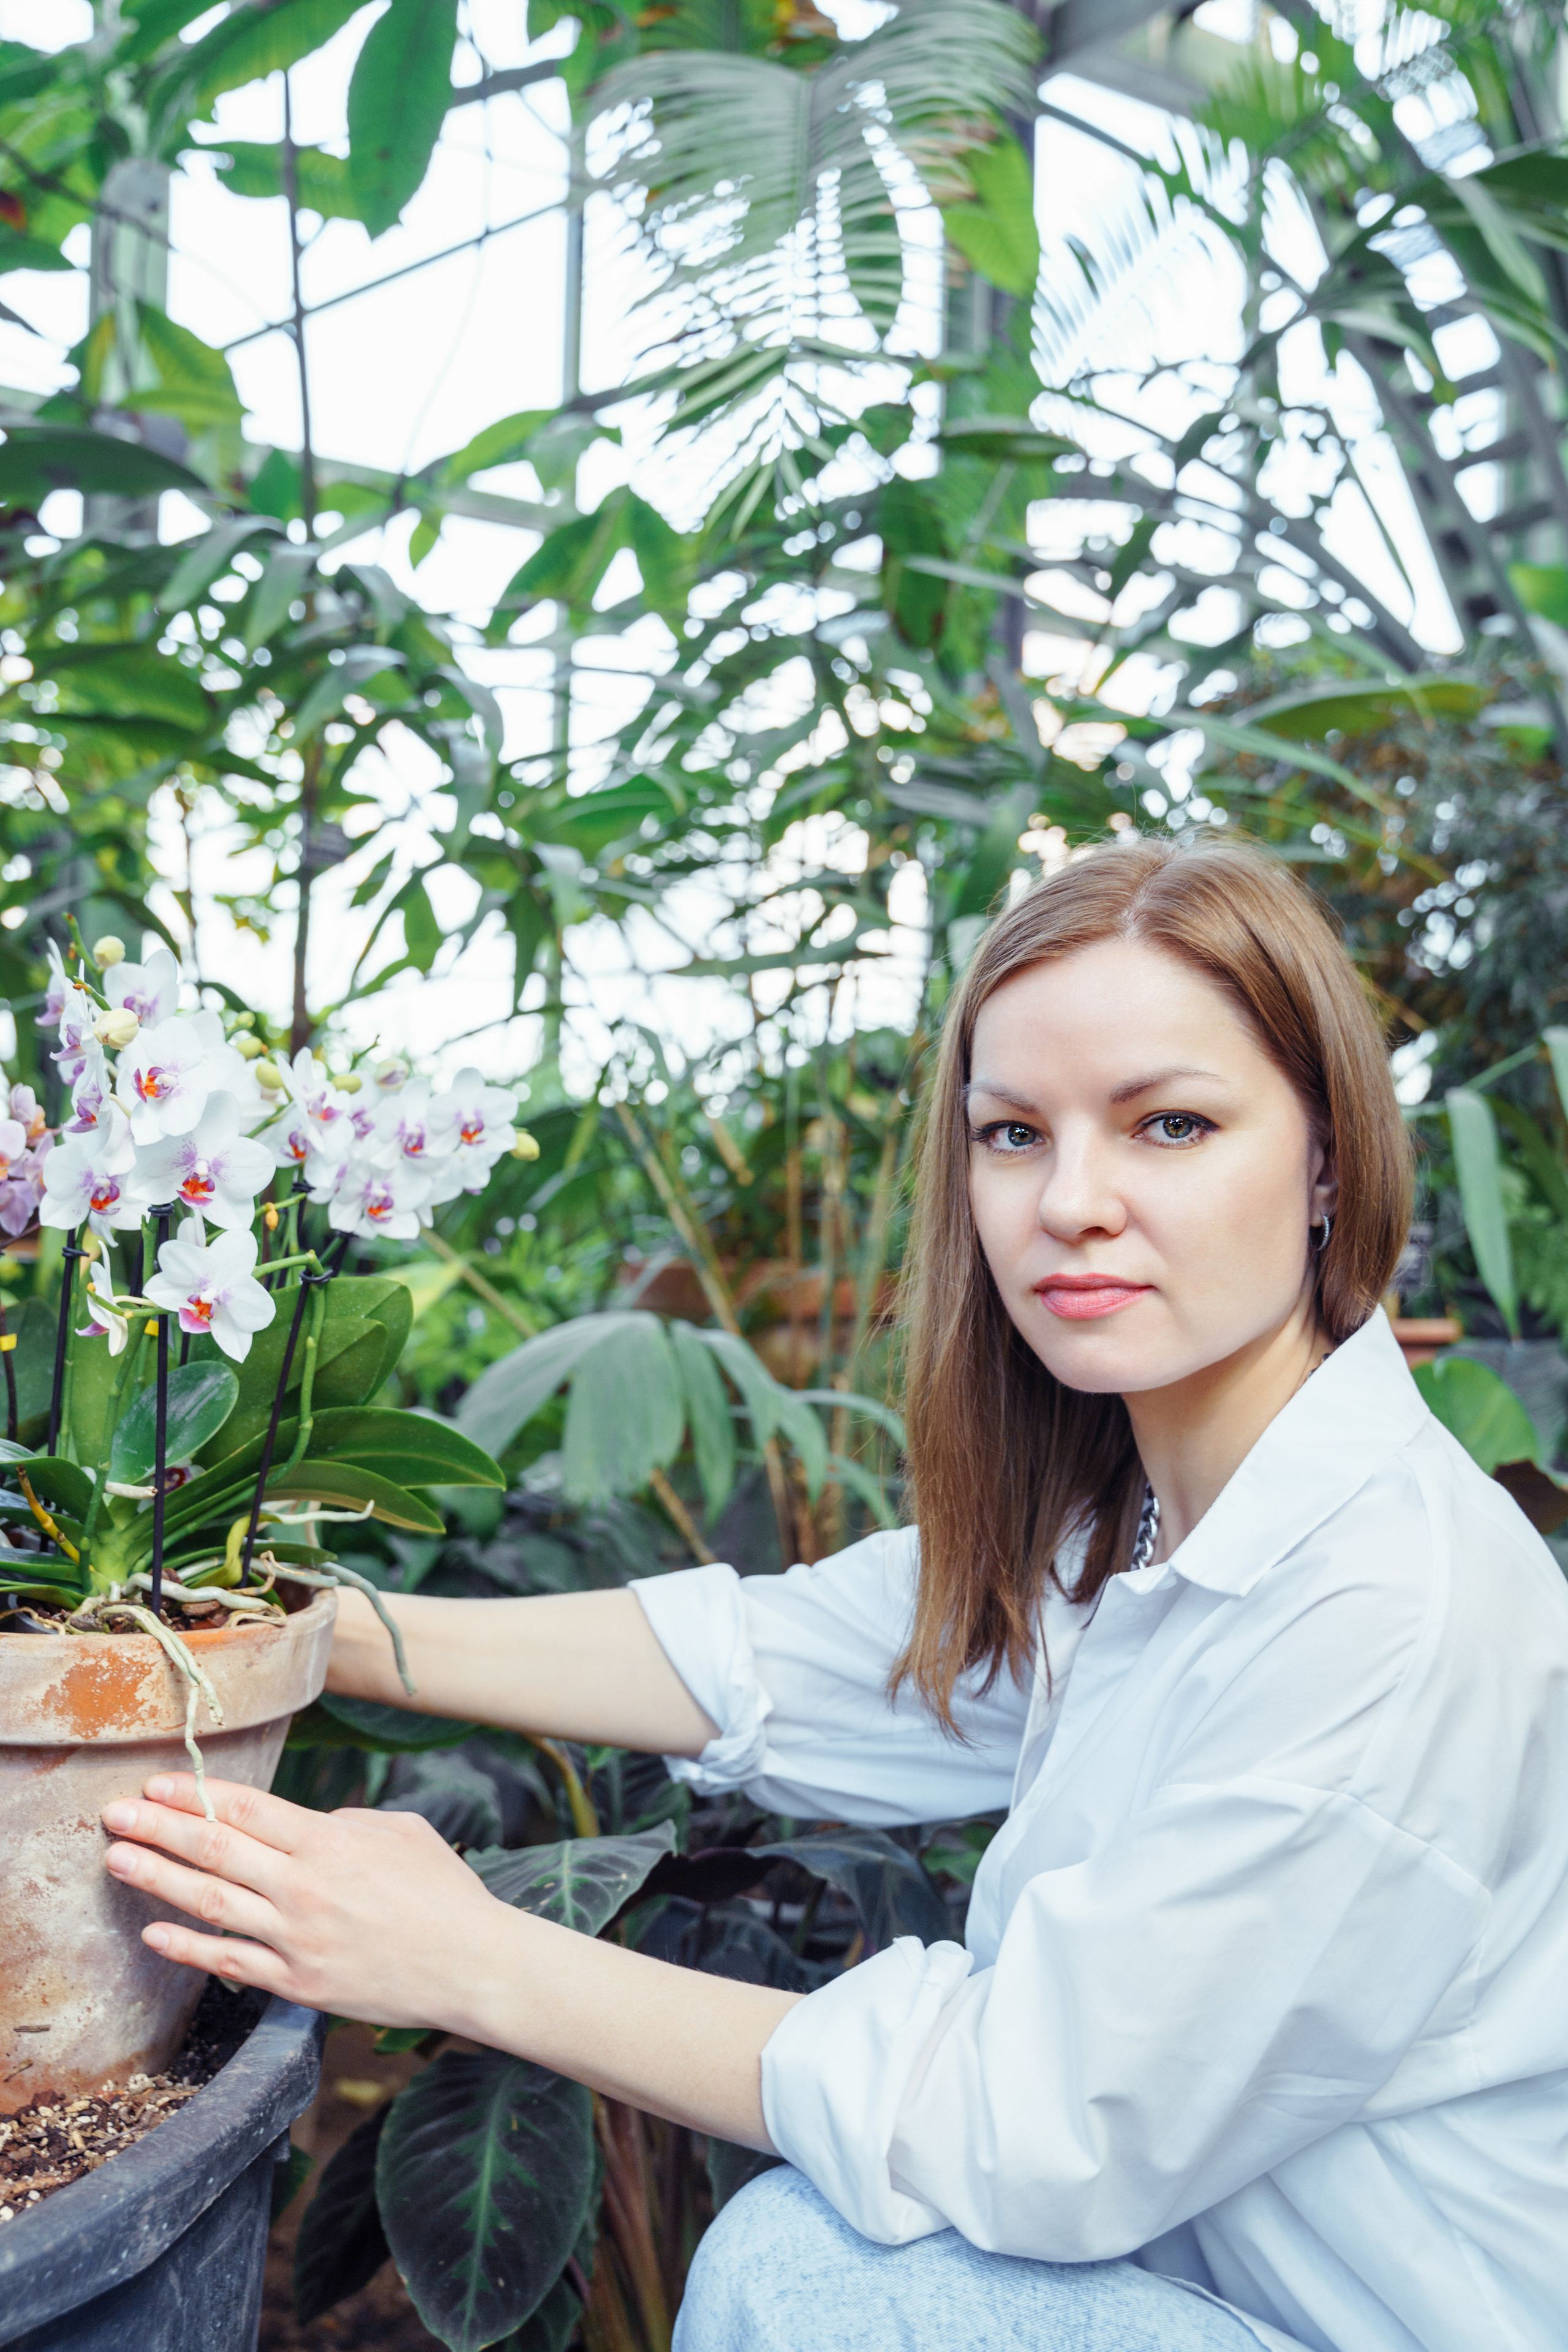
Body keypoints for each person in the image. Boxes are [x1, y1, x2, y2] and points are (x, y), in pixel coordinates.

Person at [100, 839, 1568, 2352]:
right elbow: (780, 1660)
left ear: (1326, 1158)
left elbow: (1026, 2120)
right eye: (1012, 1133)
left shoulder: (1381, 1611)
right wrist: (294, 1635)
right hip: (1208, 2296)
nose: (1070, 1201)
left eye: (1169, 1125)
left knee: (807, 2274)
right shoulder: (1136, 1519)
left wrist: (462, 1954)